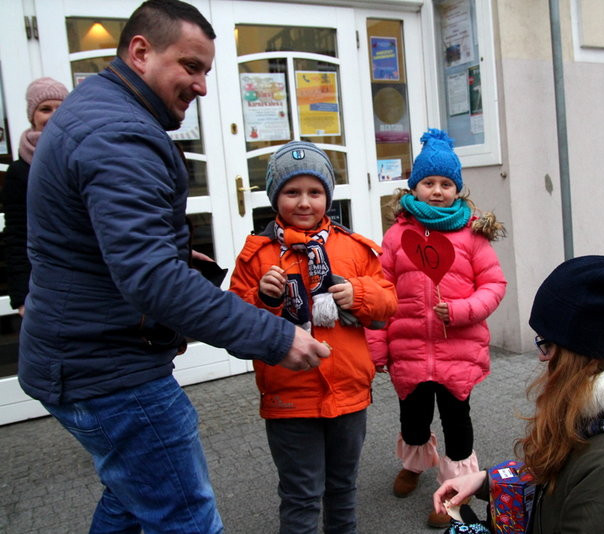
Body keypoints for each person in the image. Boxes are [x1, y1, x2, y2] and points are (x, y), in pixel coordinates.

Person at [18, 1, 330, 532]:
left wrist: (175, 252)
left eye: (206, 70)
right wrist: (275, 337)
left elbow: (98, 240)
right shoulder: (119, 134)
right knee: (185, 516)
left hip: (77, 356)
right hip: (110, 373)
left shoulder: (98, 109)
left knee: (132, 496)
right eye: (190, 66)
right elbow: (151, 279)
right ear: (140, 51)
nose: (202, 86)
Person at [433, 250, 604, 534]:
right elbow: (567, 476)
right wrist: (486, 481)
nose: (542, 357)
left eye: (548, 343)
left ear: (583, 353)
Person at [228, 140, 398, 533]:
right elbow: (235, 330)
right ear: (275, 197)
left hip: (349, 395)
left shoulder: (354, 248)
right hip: (290, 399)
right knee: (301, 497)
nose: (304, 203)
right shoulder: (258, 256)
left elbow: (389, 301)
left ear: (328, 196)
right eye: (292, 192)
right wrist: (264, 298)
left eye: (314, 192)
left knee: (342, 490)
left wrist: (359, 293)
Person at [367, 128, 507, 528]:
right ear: (414, 187)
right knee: (412, 419)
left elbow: (494, 286)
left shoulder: (473, 235)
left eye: (446, 184)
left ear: (457, 190)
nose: (437, 190)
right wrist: (377, 345)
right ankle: (415, 464)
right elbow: (379, 292)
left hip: (456, 354)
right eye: (429, 182)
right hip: (408, 352)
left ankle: (454, 492)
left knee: (457, 423)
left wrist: (462, 310)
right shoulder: (397, 236)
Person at [2, 77, 69, 317]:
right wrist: (21, 297)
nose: (53, 115)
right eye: (45, 109)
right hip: (44, 285)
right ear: (33, 116)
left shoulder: (83, 157)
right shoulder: (19, 172)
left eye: (61, 108)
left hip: (86, 282)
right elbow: (16, 235)